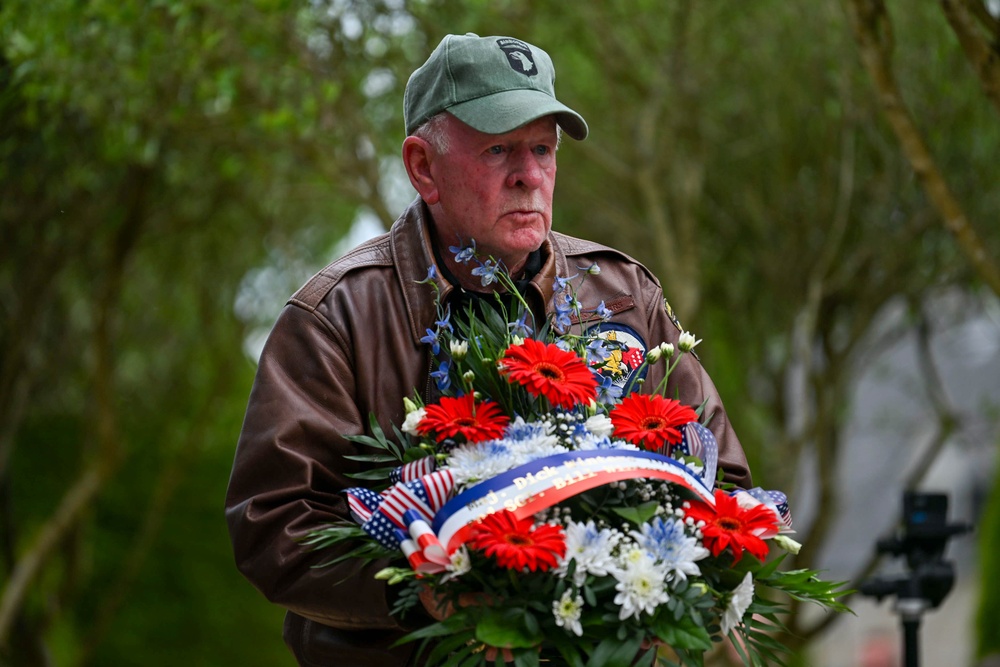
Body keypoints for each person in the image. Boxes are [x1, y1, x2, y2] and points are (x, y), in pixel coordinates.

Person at [225, 33, 752, 667]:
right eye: (498, 148)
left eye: (542, 149)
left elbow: (723, 482)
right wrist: (430, 587)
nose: (529, 174)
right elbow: (272, 525)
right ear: (423, 167)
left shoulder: (624, 292)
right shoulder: (335, 318)